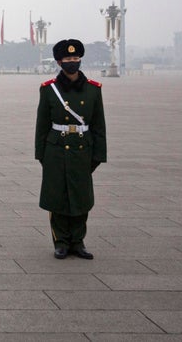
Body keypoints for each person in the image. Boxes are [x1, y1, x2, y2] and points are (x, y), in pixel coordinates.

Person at [35, 39, 107, 260]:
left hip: (82, 148)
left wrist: (98, 155)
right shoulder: (49, 90)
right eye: (68, 60)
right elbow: (42, 125)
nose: (72, 63)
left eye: (76, 59)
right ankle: (61, 241)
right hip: (56, 149)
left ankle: (78, 240)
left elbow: (98, 124)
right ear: (59, 62)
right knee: (57, 196)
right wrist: (41, 154)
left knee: (80, 196)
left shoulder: (93, 90)